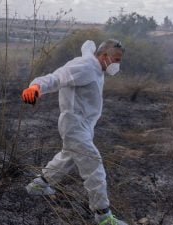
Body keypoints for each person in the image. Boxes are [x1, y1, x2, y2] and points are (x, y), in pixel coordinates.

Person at [21, 39, 127, 225]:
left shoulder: (95, 64)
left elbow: (87, 47)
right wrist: (36, 86)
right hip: (74, 125)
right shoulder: (85, 66)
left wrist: (88, 44)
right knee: (94, 167)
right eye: (116, 59)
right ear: (104, 56)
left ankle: (37, 186)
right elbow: (57, 77)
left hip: (84, 126)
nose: (117, 64)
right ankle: (103, 216)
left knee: (66, 158)